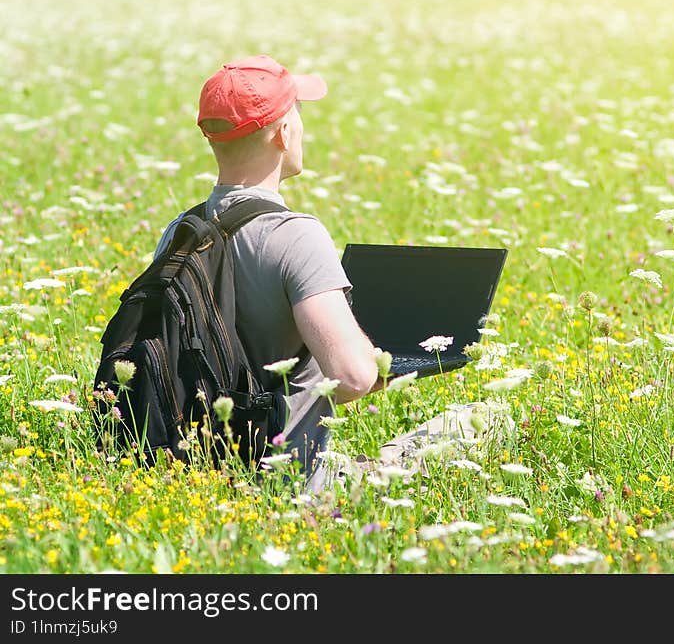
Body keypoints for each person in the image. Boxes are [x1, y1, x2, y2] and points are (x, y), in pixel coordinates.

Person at [155, 55, 504, 492]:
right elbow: (353, 376)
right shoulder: (296, 236)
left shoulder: (180, 234)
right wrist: (397, 358)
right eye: (297, 115)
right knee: (483, 420)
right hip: (292, 484)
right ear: (284, 134)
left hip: (197, 476)